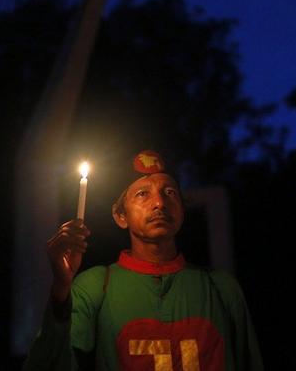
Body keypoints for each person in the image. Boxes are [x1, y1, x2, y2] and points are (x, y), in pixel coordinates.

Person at [23, 150, 263, 370]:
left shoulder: (221, 288)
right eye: (142, 194)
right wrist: (61, 289)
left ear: (181, 209)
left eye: (169, 192)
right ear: (120, 216)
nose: (159, 203)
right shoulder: (95, 287)